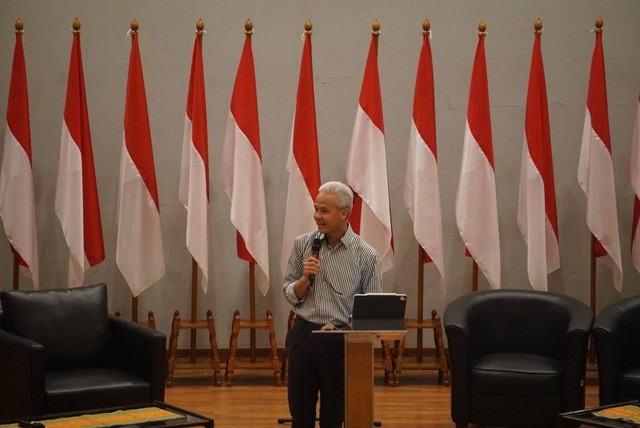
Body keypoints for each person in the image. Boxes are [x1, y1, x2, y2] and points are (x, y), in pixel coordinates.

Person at [283, 181, 382, 428]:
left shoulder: (366, 255)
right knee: (300, 414)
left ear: (344, 213)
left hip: (340, 341)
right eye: (316, 209)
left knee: (333, 415)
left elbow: (372, 312)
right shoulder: (302, 245)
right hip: (303, 335)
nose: (317, 216)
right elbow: (289, 293)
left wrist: (342, 330)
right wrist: (304, 279)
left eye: (324, 211)